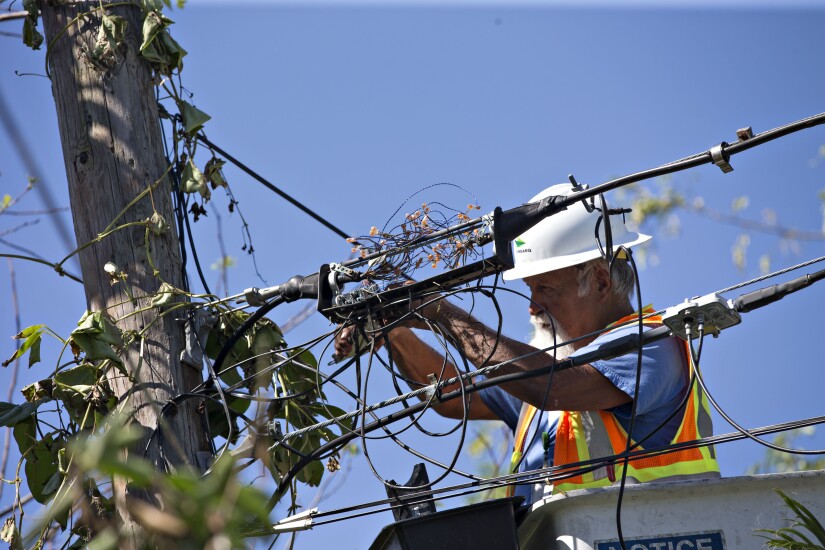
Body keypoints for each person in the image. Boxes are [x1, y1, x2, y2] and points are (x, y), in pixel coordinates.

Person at [335, 183, 719, 506]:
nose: (533, 307)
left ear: (601, 282)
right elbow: (453, 396)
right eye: (530, 289)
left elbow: (550, 386)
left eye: (545, 289)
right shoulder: (548, 371)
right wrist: (396, 334)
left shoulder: (651, 345)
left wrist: (442, 313)